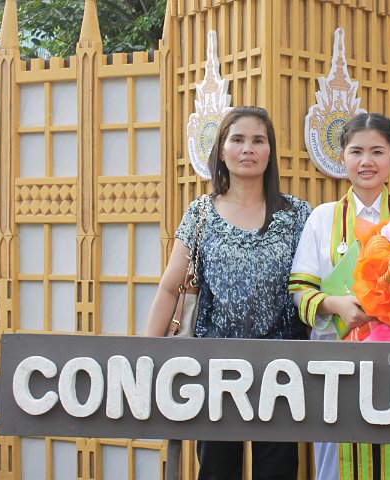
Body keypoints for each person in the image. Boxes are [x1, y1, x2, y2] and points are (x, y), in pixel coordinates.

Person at [145, 106, 311, 480]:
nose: (247, 149)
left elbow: (312, 287)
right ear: (221, 150)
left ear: (270, 152)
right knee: (218, 471)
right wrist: (146, 356)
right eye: (237, 140)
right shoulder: (201, 212)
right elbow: (172, 286)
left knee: (279, 471)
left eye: (258, 140)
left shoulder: (298, 213)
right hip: (215, 366)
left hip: (282, 368)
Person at [289, 113, 390, 479]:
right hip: (337, 361)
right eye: (356, 151)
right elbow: (300, 289)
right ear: (342, 156)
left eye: (377, 151)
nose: (366, 161)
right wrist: (340, 305)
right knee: (338, 452)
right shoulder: (322, 218)